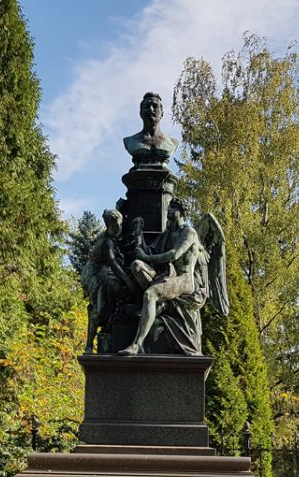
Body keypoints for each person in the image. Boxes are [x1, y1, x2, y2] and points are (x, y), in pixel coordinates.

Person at [118, 197, 206, 355]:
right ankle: (154, 304)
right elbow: (150, 251)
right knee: (136, 266)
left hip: (184, 280)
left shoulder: (188, 232)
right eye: (169, 208)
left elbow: (173, 254)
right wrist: (139, 232)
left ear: (181, 212)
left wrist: (146, 258)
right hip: (168, 276)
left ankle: (137, 344)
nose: (168, 211)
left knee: (150, 294)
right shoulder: (167, 234)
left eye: (172, 208)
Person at [81, 209, 136, 353]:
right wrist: (128, 281)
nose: (119, 229)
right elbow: (114, 265)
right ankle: (89, 345)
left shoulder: (114, 234)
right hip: (95, 273)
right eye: (116, 226)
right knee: (99, 308)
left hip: (106, 271)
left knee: (116, 292)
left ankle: (113, 329)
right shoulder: (106, 242)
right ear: (109, 225)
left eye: (120, 225)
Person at [122, 92, 179, 169]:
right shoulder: (130, 141)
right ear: (141, 113)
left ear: (162, 113)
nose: (151, 109)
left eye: (155, 106)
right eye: (147, 106)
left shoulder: (172, 142)